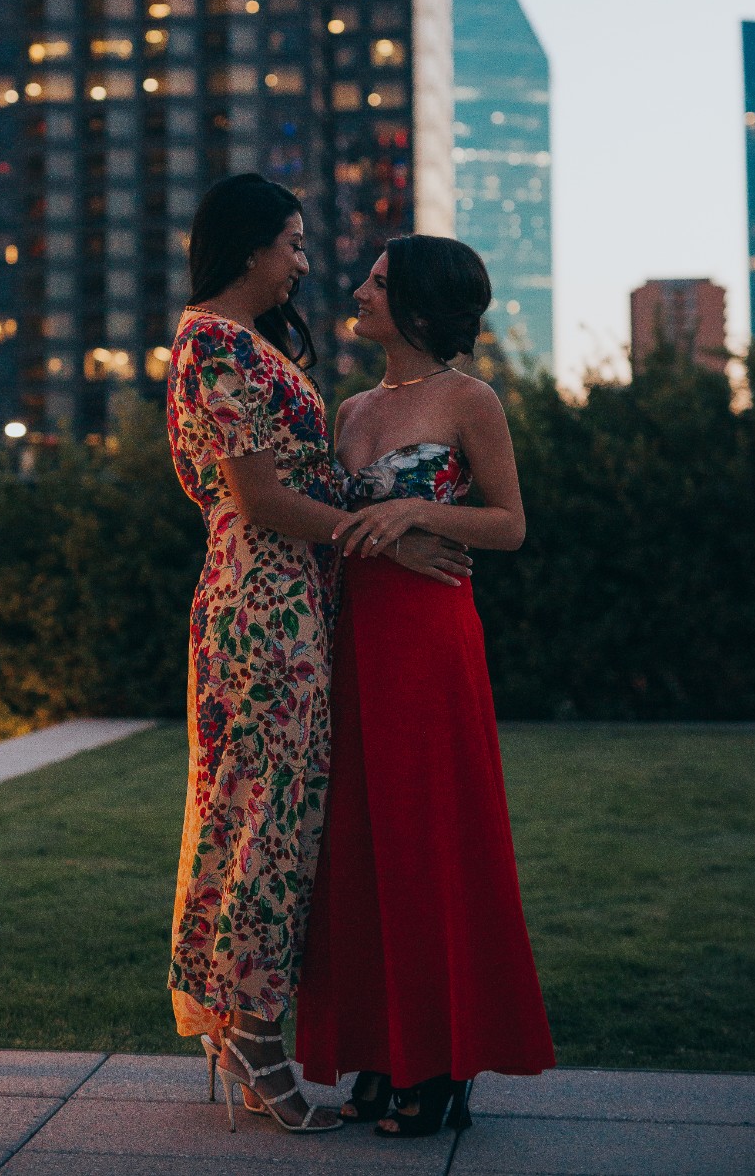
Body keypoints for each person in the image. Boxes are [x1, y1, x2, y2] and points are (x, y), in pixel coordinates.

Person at [166, 178, 472, 1135]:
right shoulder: (217, 347)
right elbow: (264, 501)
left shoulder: (234, 346)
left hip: (281, 601)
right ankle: (254, 1034)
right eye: (292, 244)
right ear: (250, 248)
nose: (304, 263)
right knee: (272, 819)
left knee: (255, 811)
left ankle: (241, 1027)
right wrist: (390, 537)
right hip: (267, 606)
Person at [295, 233, 556, 1137]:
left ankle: (441, 1061)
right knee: (359, 841)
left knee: (428, 836)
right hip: (351, 636)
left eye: (376, 280)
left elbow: (511, 524)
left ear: (415, 305)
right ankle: (378, 1048)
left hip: (431, 639)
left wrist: (414, 508)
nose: (358, 289)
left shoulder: (470, 399)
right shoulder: (349, 407)